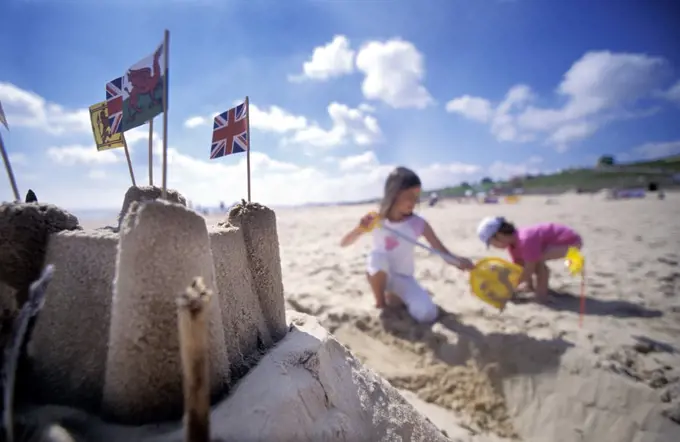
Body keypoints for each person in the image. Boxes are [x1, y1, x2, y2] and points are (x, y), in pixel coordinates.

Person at [340, 167, 474, 323]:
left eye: (416, 196)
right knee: (378, 258)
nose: (414, 202)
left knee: (426, 314)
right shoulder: (376, 219)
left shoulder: (418, 223)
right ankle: (381, 303)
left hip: (403, 278)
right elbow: (344, 243)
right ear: (393, 193)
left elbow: (442, 252)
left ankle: (395, 297)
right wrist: (359, 229)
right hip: (379, 274)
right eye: (409, 195)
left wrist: (461, 262)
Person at [476, 216, 582, 301]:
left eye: (492, 243)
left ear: (499, 235)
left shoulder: (524, 239)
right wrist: (518, 282)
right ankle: (530, 288)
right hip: (551, 244)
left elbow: (529, 268)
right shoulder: (513, 246)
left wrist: (515, 286)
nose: (494, 247)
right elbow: (519, 266)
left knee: (537, 262)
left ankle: (541, 295)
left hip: (569, 241)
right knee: (529, 261)